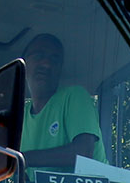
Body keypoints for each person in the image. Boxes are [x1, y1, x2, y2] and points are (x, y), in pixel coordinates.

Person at [19, 33, 106, 169]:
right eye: (39, 56)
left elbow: (83, 154)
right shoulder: (20, 117)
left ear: (60, 69)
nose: (46, 64)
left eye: (54, 60)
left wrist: (22, 159)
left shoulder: (75, 96)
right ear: (23, 64)